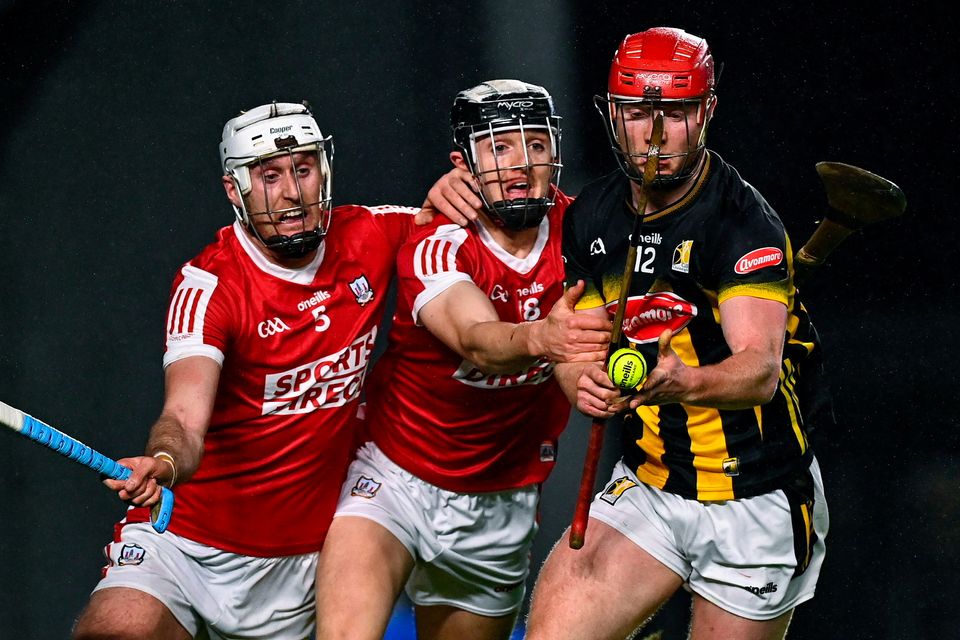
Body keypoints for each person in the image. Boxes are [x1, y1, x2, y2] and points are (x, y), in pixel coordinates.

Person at [71, 101, 425, 640]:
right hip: (185, 546)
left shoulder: (371, 234)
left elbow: (458, 229)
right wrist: (165, 460)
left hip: (310, 562)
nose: (291, 193)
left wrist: (455, 193)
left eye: (303, 170)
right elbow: (184, 420)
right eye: (269, 176)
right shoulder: (208, 287)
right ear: (235, 191)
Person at [523, 28, 830, 640]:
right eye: (638, 112)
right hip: (650, 484)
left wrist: (683, 381)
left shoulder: (742, 225)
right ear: (613, 114)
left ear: (707, 111)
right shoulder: (592, 216)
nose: (655, 134)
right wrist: (577, 382)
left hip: (754, 495)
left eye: (677, 112)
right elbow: (573, 338)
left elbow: (760, 371)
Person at [314, 80, 612, 640]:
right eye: (500, 147)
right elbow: (477, 338)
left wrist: (601, 381)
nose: (521, 164)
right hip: (394, 478)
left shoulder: (586, 235)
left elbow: (576, 365)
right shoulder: (438, 241)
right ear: (464, 162)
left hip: (503, 498)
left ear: (556, 151)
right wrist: (543, 339)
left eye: (536, 145)